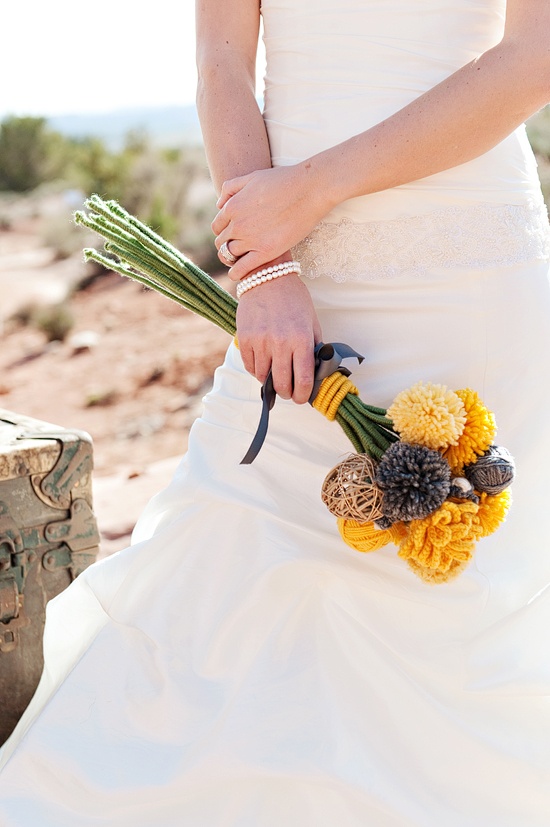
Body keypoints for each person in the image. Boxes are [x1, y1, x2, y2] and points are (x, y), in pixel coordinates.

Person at [1, 0, 550, 824]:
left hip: (467, 276)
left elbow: (535, 55)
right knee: (225, 564)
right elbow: (221, 60)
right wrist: (264, 269)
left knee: (459, 602)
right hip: (298, 267)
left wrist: (314, 186)